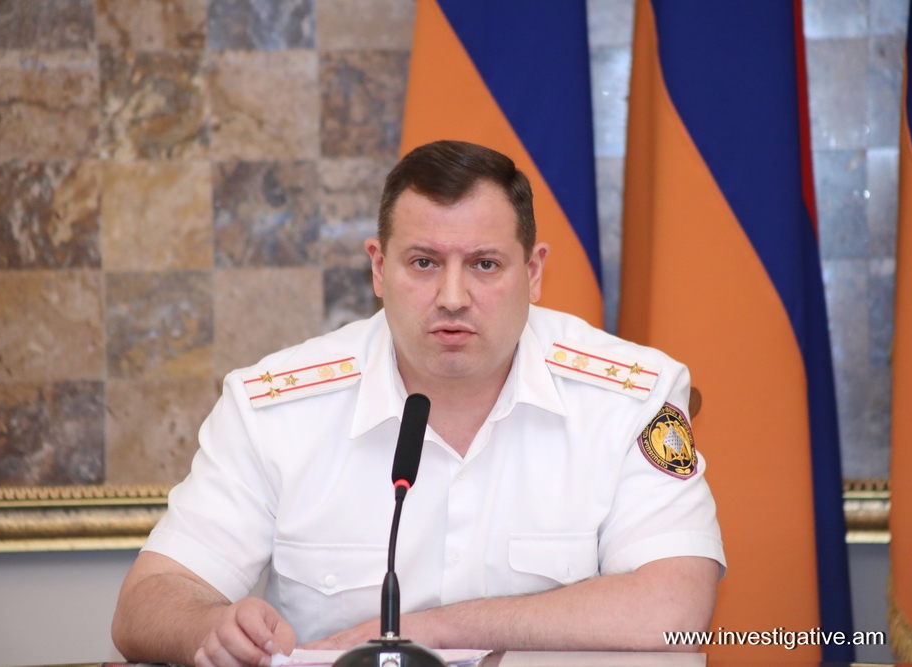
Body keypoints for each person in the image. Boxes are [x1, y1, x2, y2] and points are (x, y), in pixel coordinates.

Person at [112, 140, 725, 667]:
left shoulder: (631, 396)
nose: (453, 296)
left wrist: (426, 635)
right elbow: (148, 600)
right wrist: (210, 629)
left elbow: (676, 608)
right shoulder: (274, 406)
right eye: (424, 263)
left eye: (485, 264)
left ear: (533, 272)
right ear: (379, 269)